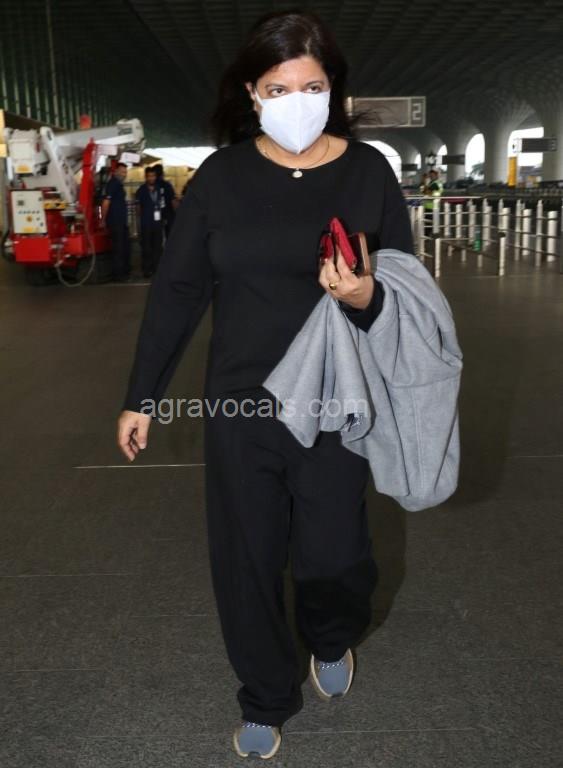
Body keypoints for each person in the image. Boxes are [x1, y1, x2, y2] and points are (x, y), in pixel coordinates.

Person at [117, 9, 414, 760]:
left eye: (311, 86)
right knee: (245, 559)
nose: (296, 102)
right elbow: (178, 291)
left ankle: (331, 633)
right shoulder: (221, 178)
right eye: (278, 89)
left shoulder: (368, 172)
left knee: (336, 556)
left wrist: (365, 295)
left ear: (333, 88)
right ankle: (264, 695)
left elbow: (407, 291)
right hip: (240, 403)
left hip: (337, 401)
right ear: (252, 93)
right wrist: (142, 396)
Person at [101, 162, 131, 282]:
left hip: (121, 222)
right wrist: (103, 219)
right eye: (122, 172)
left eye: (125, 172)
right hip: (115, 222)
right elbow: (106, 202)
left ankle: (124, 272)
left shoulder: (118, 184)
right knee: (118, 249)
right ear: (116, 172)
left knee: (124, 247)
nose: (124, 174)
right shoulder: (113, 184)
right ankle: (118, 275)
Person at [135, 167, 165, 278]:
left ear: (155, 177)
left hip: (157, 224)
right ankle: (147, 270)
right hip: (146, 223)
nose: (151, 178)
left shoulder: (159, 189)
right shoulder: (141, 190)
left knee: (157, 247)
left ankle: (157, 269)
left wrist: (163, 218)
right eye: (149, 176)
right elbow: (138, 208)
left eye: (153, 176)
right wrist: (140, 221)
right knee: (146, 247)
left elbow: (162, 204)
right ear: (146, 177)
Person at [152, 163, 178, 238]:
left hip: (155, 216)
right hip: (168, 214)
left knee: (157, 237)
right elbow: (173, 201)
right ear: (162, 173)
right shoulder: (167, 185)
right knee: (169, 236)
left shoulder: (151, 186)